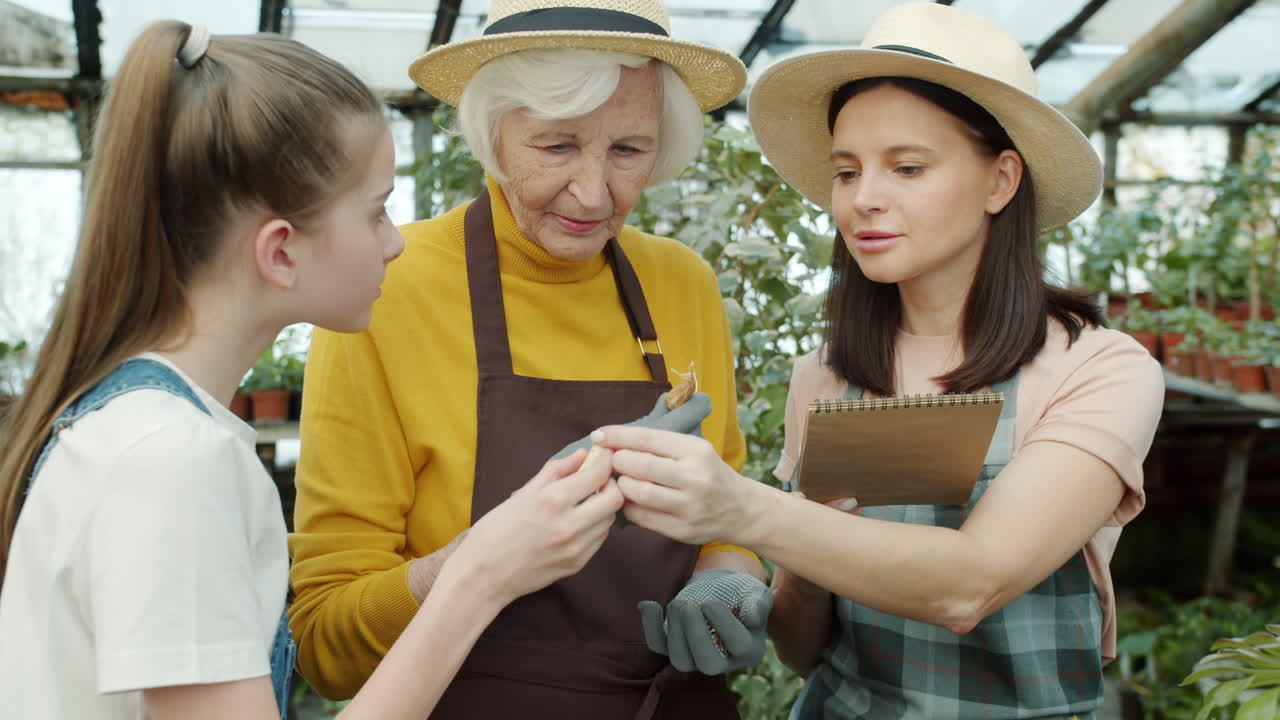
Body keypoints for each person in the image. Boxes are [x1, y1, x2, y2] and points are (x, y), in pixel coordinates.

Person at [0, 22, 624, 720]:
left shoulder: (135, 427)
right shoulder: (171, 463)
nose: (394, 244)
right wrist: (480, 577)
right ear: (280, 253)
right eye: (377, 211)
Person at [593, 3, 1165, 718]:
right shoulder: (830, 374)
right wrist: (751, 589)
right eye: (847, 171)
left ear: (1001, 181)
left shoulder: (1095, 369)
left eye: (908, 167)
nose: (864, 199)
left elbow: (970, 585)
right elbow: (806, 650)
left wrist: (742, 509)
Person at [286, 0, 771, 717]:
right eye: (557, 146)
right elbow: (327, 643)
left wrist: (727, 575)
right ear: (493, 133)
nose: (594, 192)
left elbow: (725, 514)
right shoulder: (387, 285)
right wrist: (477, 565)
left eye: (629, 150)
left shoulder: (682, 284)